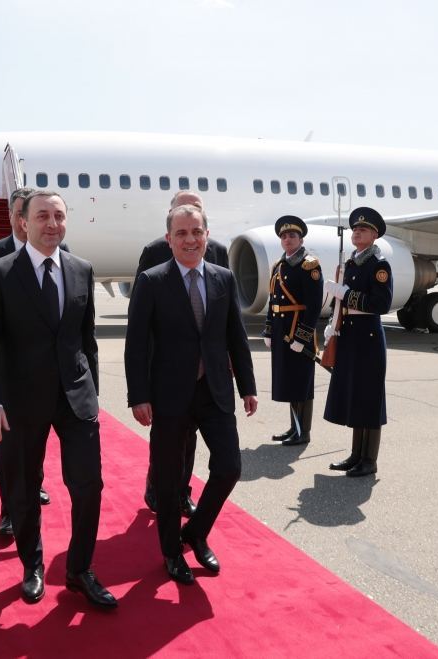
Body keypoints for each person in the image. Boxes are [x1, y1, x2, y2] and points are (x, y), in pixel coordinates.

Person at [0, 191, 117, 609]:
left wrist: (92, 394)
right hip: (19, 401)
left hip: (76, 398)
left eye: (59, 216)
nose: (52, 224)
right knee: (23, 489)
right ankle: (32, 565)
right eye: (42, 216)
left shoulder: (81, 269)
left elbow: (86, 339)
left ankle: (79, 569)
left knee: (88, 486)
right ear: (24, 222)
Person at [125, 203, 258, 585]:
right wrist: (138, 396)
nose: (190, 239)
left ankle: (196, 532)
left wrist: (247, 387)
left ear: (207, 235)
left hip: (214, 391)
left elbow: (236, 337)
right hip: (168, 395)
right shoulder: (152, 281)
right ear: (169, 239)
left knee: (229, 467)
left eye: (196, 232)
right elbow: (136, 344)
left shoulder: (223, 278)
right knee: (169, 480)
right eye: (181, 233)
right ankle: (171, 551)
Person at [135, 190, 228, 518]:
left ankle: (182, 491)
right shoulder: (155, 252)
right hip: (167, 365)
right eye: (182, 209)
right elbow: (141, 317)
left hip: (205, 368)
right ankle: (157, 485)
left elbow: (225, 312)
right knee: (168, 436)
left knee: (192, 436)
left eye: (196, 210)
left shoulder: (218, 252)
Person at [0, 186, 52, 539]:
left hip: (46, 371)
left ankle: (34, 484)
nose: (25, 221)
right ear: (14, 217)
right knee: (8, 448)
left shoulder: (59, 250)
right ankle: (8, 510)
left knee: (38, 441)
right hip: (9, 372)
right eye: (21, 213)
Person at [322, 207, 393, 477]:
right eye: (355, 229)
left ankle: (369, 459)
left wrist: (347, 294)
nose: (356, 233)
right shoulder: (351, 263)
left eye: (363, 229)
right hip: (350, 336)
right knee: (355, 396)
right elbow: (340, 301)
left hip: (368, 338)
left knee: (369, 398)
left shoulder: (379, 265)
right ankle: (355, 455)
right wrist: (333, 324)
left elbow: (381, 304)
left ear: (374, 235)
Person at [264, 215, 323, 445]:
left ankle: (303, 432)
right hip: (282, 332)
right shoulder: (279, 266)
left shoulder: (309, 265)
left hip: (297, 332)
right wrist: (269, 330)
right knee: (289, 381)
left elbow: (314, 306)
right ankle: (293, 428)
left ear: (301, 239)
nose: (287, 239)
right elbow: (273, 301)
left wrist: (303, 336)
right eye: (284, 236)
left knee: (301, 383)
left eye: (292, 236)